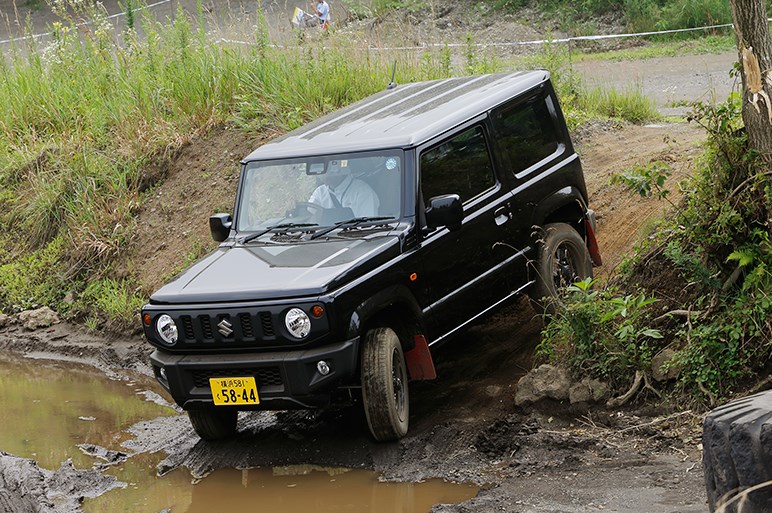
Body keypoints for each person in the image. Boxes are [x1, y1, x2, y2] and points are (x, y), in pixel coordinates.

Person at [308, 161, 379, 217]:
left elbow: (368, 226)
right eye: (323, 171)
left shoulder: (363, 192)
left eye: (330, 170)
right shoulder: (320, 192)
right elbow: (308, 216)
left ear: (341, 170)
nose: (325, 175)